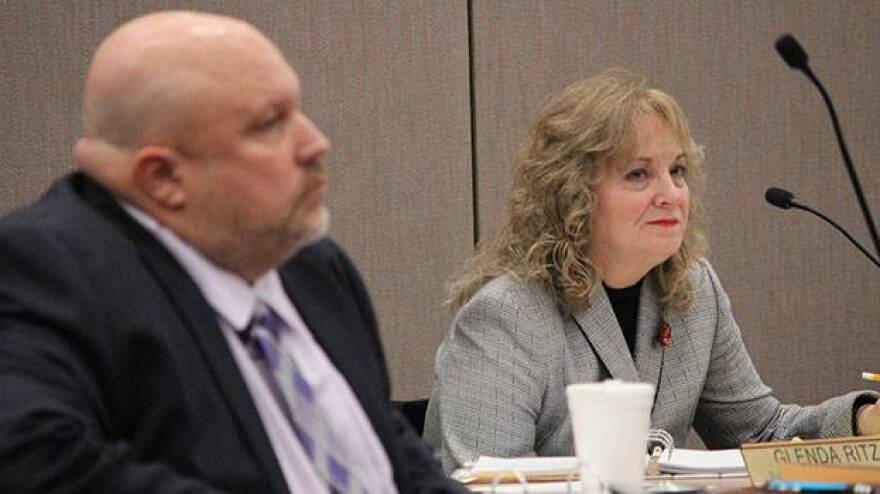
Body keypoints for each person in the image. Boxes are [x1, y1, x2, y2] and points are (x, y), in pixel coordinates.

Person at [0, 11, 466, 494]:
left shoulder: (309, 266)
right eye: (269, 124)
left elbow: (387, 452)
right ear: (163, 177)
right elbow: (35, 466)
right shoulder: (44, 272)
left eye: (297, 110)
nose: (315, 143)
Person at [423, 69, 880, 473]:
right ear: (572, 194)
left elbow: (761, 435)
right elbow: (482, 482)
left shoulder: (692, 290)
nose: (671, 194)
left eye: (677, 171)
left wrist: (865, 419)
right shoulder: (508, 316)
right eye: (639, 174)